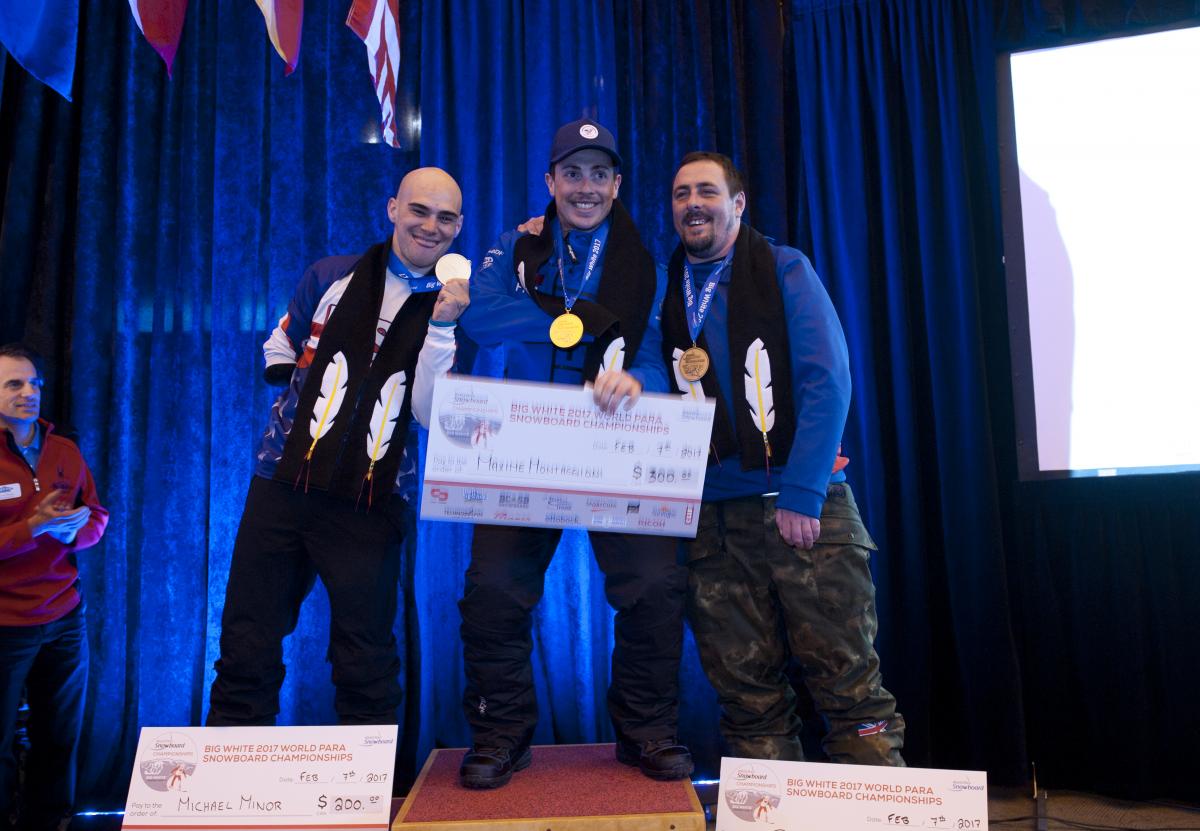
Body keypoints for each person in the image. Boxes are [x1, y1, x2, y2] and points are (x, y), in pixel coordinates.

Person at [454, 118, 692, 788]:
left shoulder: (642, 263)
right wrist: (569, 319)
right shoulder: (520, 245)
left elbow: (649, 341)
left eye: (599, 174)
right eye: (572, 173)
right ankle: (501, 733)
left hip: (612, 436)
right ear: (551, 181)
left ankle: (646, 732)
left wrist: (638, 375)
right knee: (494, 590)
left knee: (653, 586)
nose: (585, 187)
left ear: (617, 184)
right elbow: (480, 314)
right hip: (524, 440)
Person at [662, 152, 904, 765]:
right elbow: (645, 368)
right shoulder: (666, 284)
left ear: (737, 204)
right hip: (712, 523)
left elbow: (830, 380)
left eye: (708, 191)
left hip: (798, 508)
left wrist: (802, 493)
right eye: (682, 192)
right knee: (748, 701)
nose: (694, 202)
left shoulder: (783, 267)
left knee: (850, 691)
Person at [207, 168, 470, 726]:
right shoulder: (331, 274)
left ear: (459, 227)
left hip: (371, 500)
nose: (430, 226)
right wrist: (297, 379)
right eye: (419, 210)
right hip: (283, 485)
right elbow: (281, 340)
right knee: (245, 647)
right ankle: (227, 801)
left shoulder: (453, 306)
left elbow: (427, 411)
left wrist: (443, 326)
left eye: (445, 217)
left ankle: (368, 804)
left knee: (366, 661)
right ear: (392, 207)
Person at [0, 343, 109, 830]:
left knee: (59, 737)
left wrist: (76, 528)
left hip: (64, 618)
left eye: (35, 383)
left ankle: (50, 824)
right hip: (6, 624)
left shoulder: (63, 449)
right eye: (15, 384)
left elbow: (97, 518)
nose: (30, 393)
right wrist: (34, 529)